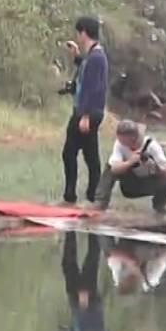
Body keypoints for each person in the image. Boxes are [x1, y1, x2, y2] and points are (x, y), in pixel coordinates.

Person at [61, 16, 108, 204]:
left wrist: (85, 115)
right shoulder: (93, 56)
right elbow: (85, 72)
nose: (78, 36)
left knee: (69, 152)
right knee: (90, 154)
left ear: (83, 32)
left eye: (78, 33)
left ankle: (70, 196)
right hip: (88, 111)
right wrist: (77, 56)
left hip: (87, 112)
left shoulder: (96, 58)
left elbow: (94, 88)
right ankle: (94, 195)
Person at [95, 119, 166, 215]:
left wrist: (155, 167)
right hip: (129, 184)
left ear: (133, 137)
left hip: (146, 182)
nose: (123, 143)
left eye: (125, 140)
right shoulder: (119, 144)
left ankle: (159, 206)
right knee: (110, 166)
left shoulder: (152, 146)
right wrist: (130, 162)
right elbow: (114, 168)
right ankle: (100, 202)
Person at [61, 233, 105, 331]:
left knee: (70, 264)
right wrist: (85, 308)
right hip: (86, 304)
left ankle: (72, 229)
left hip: (79, 306)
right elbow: (95, 330)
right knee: (90, 261)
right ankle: (94, 229)